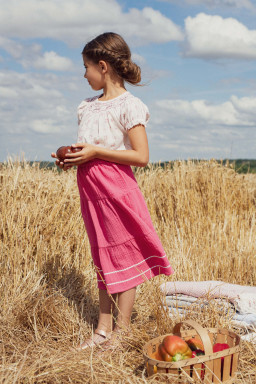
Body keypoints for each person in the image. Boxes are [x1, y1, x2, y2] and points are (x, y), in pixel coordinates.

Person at [51, 32, 174, 350]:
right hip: (92, 193)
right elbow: (89, 148)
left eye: (86, 67)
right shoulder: (86, 107)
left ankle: (121, 332)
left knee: (123, 256)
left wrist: (95, 153)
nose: (84, 74)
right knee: (102, 257)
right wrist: (73, 158)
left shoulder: (130, 106)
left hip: (117, 192)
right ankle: (102, 330)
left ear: (102, 66)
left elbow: (141, 157)